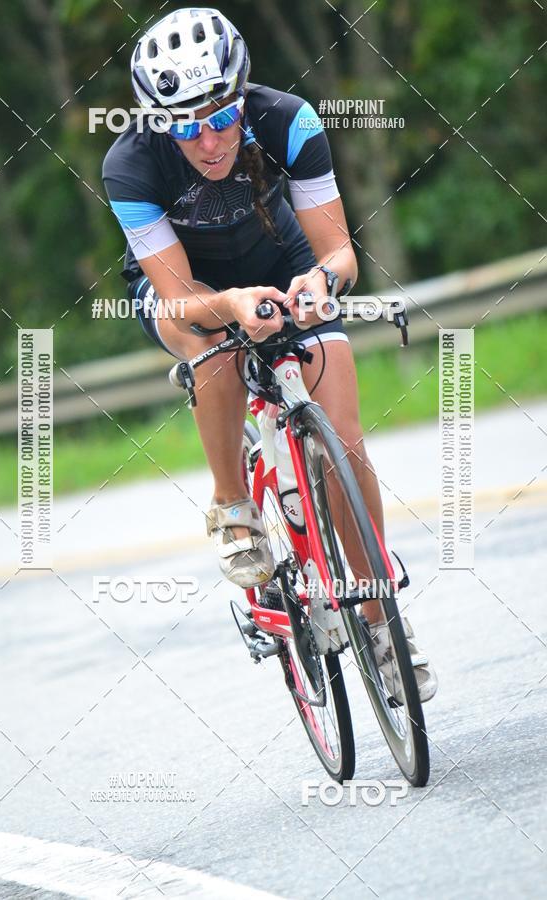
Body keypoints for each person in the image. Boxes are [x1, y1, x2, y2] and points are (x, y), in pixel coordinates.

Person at [102, 7, 437, 702]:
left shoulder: (290, 119)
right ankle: (233, 506)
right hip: (188, 292)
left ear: (243, 96)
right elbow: (180, 293)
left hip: (279, 258)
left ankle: (381, 619)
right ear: (159, 121)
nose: (208, 140)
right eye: (185, 125)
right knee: (211, 348)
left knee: (343, 443)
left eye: (221, 118)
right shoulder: (129, 164)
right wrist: (228, 306)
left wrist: (321, 282)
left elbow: (339, 250)